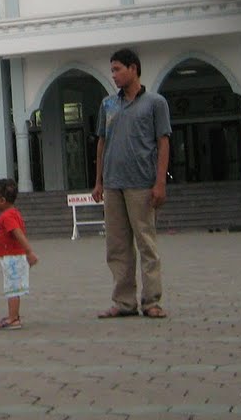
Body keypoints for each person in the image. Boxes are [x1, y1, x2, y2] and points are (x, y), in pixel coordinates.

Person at [92, 47, 172, 319]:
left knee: (146, 242)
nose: (113, 75)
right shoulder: (108, 105)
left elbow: (163, 142)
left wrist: (160, 182)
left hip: (141, 184)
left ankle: (151, 301)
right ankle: (124, 302)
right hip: (113, 185)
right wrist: (98, 181)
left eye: (117, 69)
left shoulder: (155, 103)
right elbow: (102, 142)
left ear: (133, 68)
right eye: (112, 69)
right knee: (117, 246)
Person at [0, 178, 38, 330]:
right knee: (13, 288)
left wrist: (29, 252)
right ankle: (13, 316)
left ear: (2, 200)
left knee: (12, 289)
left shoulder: (7, 216)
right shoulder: (11, 213)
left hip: (13, 259)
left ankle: (13, 318)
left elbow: (18, 233)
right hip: (12, 257)